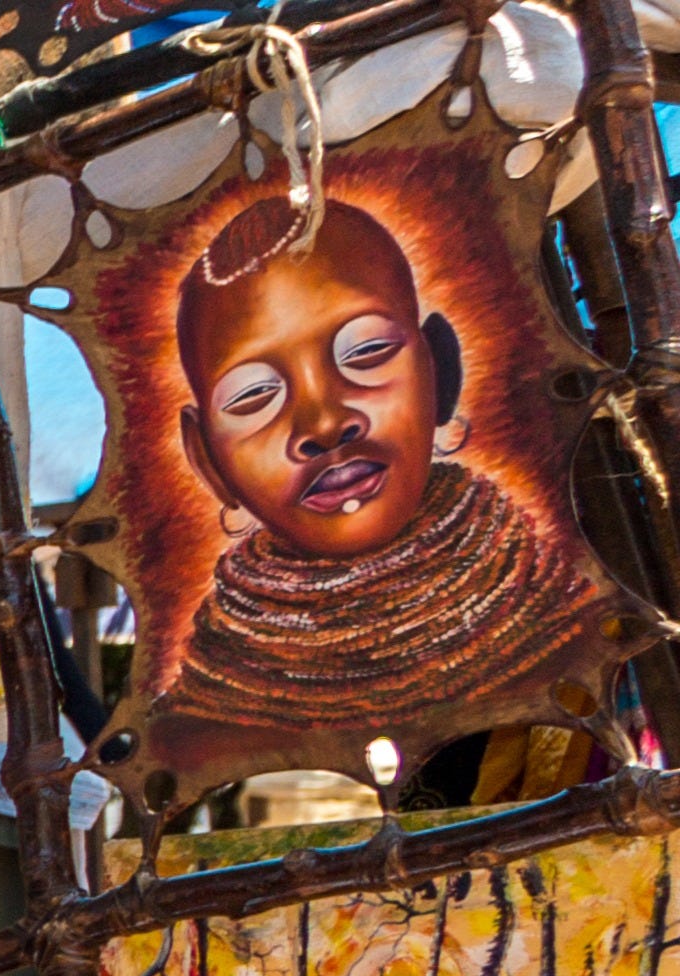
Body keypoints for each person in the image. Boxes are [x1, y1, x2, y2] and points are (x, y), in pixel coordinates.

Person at [156, 195, 627, 737]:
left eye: (366, 353)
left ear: (440, 370)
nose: (325, 423)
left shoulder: (583, 627)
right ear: (205, 458)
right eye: (254, 396)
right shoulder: (203, 725)